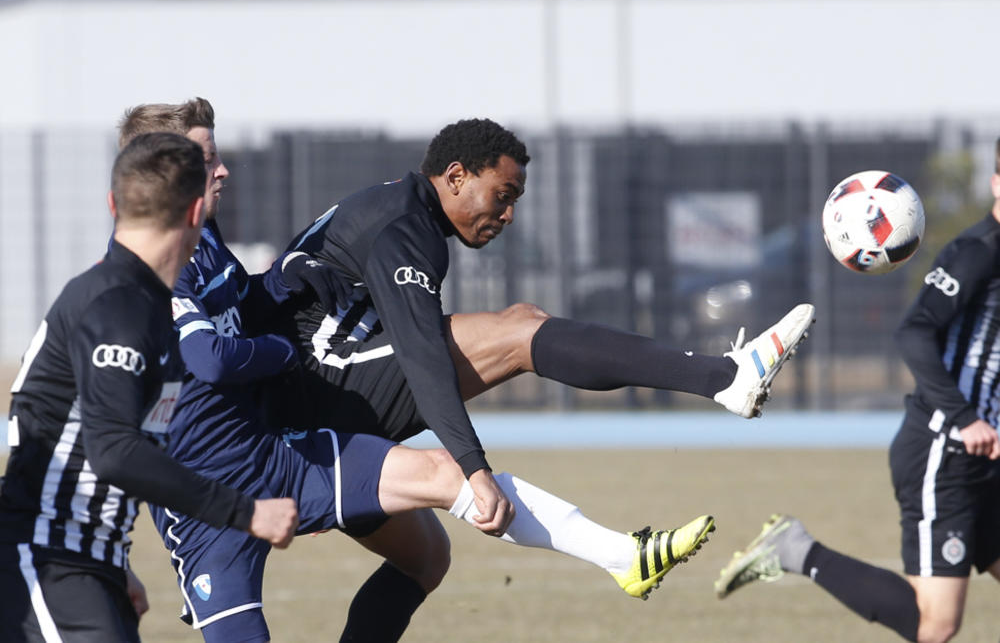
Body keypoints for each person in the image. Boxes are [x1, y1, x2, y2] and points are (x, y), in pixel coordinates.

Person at [117, 99, 718, 643]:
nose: (223, 171)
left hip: (276, 454)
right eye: (207, 159)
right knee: (511, 342)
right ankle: (717, 383)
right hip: (207, 501)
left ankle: (624, 556)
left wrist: (282, 284)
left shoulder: (205, 238)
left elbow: (236, 313)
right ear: (162, 173)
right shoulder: (143, 271)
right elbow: (206, 362)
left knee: (429, 545)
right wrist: (280, 348)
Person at [0, 133, 300, 642]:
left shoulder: (152, 305)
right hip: (46, 563)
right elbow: (116, 452)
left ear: (113, 204)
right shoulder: (118, 309)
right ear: (196, 212)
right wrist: (245, 512)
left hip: (89, 562)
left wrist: (116, 566)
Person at [714, 156, 1000, 643]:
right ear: (997, 181)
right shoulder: (977, 252)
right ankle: (796, 550)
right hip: (943, 455)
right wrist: (965, 417)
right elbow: (914, 332)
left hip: (984, 458)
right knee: (936, 625)